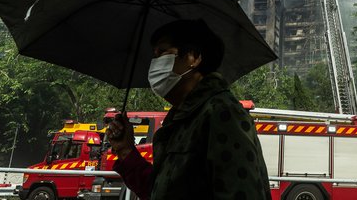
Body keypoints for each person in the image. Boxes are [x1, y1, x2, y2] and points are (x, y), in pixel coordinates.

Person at [107, 19, 271, 200]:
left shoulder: (222, 114)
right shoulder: (180, 119)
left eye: (162, 53)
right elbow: (160, 191)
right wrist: (125, 150)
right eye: (154, 56)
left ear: (193, 57)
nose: (154, 64)